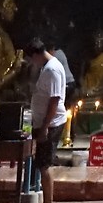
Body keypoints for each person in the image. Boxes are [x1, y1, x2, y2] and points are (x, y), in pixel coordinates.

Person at [25, 36, 70, 194]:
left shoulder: (52, 69)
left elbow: (54, 100)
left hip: (51, 123)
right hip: (44, 122)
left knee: (44, 165)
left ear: (36, 55)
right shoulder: (47, 67)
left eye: (32, 60)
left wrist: (44, 127)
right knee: (41, 163)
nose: (33, 64)